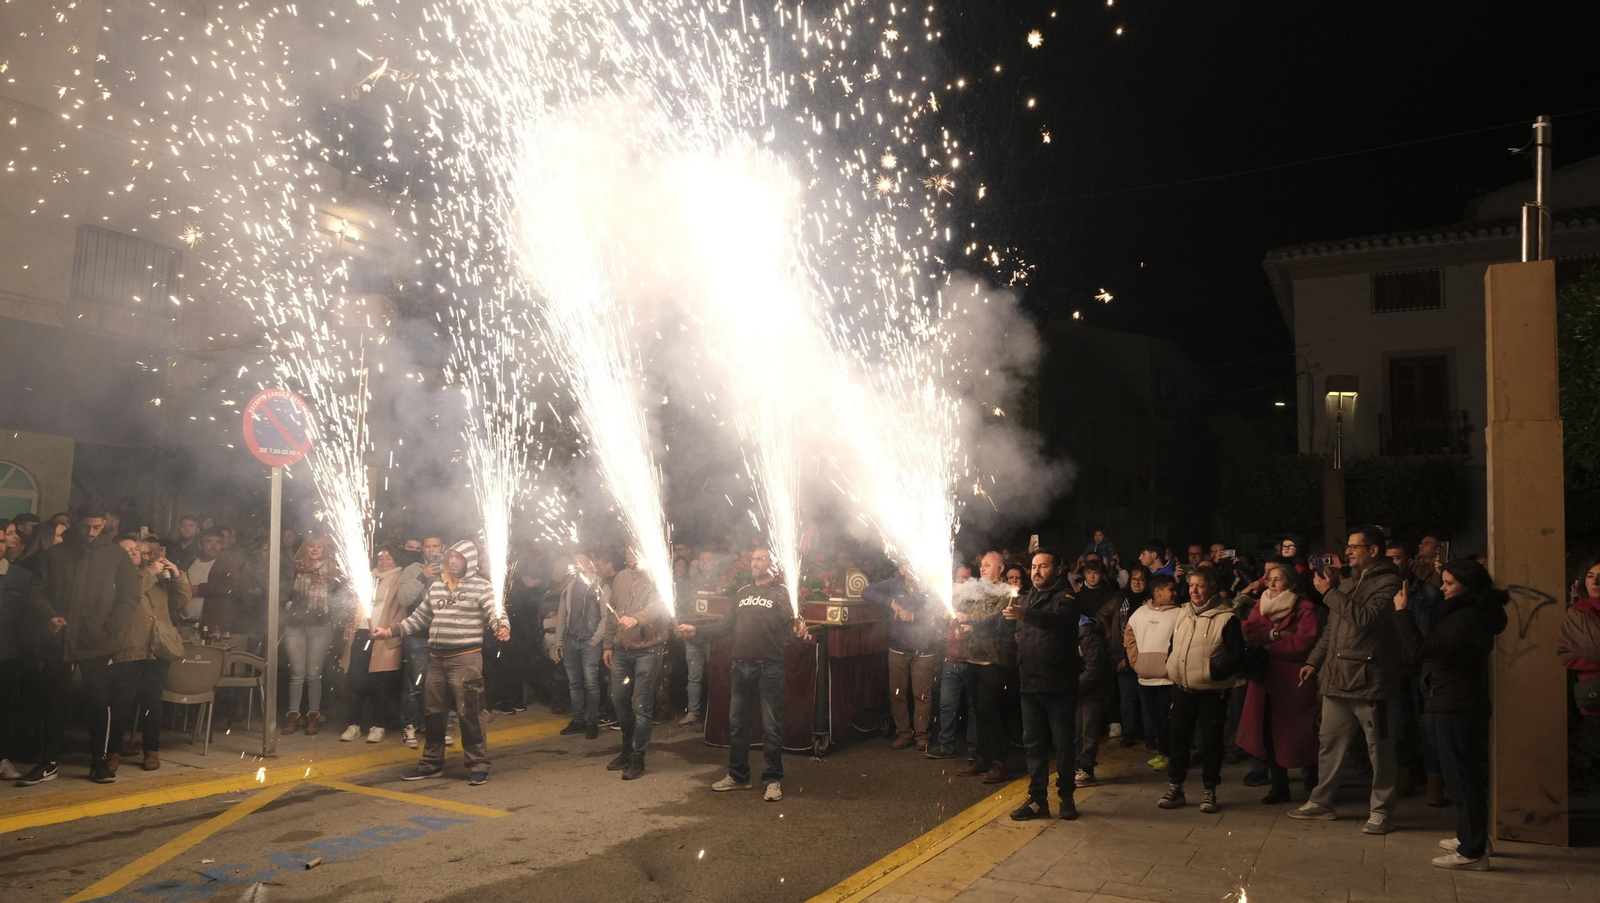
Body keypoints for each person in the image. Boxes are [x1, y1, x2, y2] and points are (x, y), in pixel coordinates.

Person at [1393, 559, 1506, 870]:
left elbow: (1423, 648)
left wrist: (1403, 613)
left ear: (1468, 586)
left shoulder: (1467, 617)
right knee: (1461, 772)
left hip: (1455, 702)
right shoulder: (1471, 613)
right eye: (1442, 582)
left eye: (1449, 583)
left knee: (1461, 775)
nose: (1442, 588)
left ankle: (1472, 852)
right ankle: (1473, 837)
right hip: (1454, 698)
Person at [1291, 526, 1404, 834]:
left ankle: (1381, 811)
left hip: (1371, 681)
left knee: (1379, 750)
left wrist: (1330, 593)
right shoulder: (1348, 584)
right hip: (1336, 679)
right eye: (1349, 546)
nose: (1349, 551)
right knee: (1329, 744)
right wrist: (1314, 661)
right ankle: (1322, 802)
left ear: (1374, 550)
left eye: (1355, 546)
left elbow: (1366, 619)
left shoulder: (1390, 582)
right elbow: (1333, 629)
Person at [678, 546, 809, 802]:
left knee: (772, 726)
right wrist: (697, 631)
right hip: (740, 667)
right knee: (738, 725)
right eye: (752, 559)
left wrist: (800, 629)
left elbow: (793, 624)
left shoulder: (782, 593)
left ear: (771, 564)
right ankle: (739, 776)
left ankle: (773, 779)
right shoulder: (742, 593)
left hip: (768, 667)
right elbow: (723, 626)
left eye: (760, 559)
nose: (754, 563)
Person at [21, 510, 142, 785]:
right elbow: (35, 591)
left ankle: (98, 761)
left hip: (97, 640)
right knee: (53, 701)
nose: (90, 532)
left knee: (98, 702)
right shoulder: (55, 554)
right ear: (77, 524)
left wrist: (111, 626)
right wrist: (49, 616)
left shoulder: (116, 556)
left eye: (97, 527)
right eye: (86, 526)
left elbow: (130, 596)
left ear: (104, 526)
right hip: (59, 639)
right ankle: (48, 762)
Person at [375, 540, 508, 785]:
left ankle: (478, 763)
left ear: (468, 561)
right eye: (450, 557)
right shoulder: (437, 586)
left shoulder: (481, 586)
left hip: (465, 660)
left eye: (458, 557)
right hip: (436, 659)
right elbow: (419, 618)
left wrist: (502, 626)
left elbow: (495, 610)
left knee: (470, 713)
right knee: (433, 713)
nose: (453, 562)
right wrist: (391, 632)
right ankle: (431, 764)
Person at [1157, 569, 1244, 813]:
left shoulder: (1227, 618)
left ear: (1212, 588)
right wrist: (1172, 665)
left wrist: (1211, 674)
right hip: (1182, 687)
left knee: (1211, 741)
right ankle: (1176, 785)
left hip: (1211, 691)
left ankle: (1209, 790)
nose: (1194, 590)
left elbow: (1237, 655)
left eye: (1200, 586)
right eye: (1191, 585)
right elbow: (1176, 643)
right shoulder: (1184, 612)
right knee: (1178, 738)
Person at [1006, 548, 1081, 821]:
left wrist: (1026, 615)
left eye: (1043, 566)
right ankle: (1038, 800)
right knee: (1033, 745)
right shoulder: (1025, 599)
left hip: (1058, 685)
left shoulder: (1067, 597)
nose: (1036, 571)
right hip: (1030, 684)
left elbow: (1060, 621)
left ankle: (1067, 797)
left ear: (1058, 569)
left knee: (1063, 745)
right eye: (1034, 567)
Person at [1235, 561, 1320, 804]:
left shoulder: (1304, 608)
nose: (1271, 583)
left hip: (1294, 680)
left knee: (1301, 733)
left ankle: (1313, 782)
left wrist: (1267, 645)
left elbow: (1303, 643)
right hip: (1265, 680)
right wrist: (1276, 635)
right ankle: (1279, 786)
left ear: (1290, 583)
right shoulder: (1261, 605)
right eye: (1269, 578)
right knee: (1269, 734)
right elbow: (1249, 632)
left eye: (1277, 579)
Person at [114, 536, 192, 771]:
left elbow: (181, 601)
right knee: (121, 701)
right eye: (127, 551)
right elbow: (129, 592)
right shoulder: (115, 577)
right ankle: (113, 751)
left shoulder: (156, 577)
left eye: (136, 549)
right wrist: (149, 571)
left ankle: (151, 750)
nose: (134, 553)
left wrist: (177, 576)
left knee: (152, 701)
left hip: (158, 647)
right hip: (127, 647)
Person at [601, 548, 672, 781]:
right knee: (619, 701)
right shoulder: (621, 577)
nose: (630, 556)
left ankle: (637, 758)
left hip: (648, 650)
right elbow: (612, 612)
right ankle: (627, 749)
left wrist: (637, 618)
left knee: (641, 705)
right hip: (622, 650)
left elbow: (660, 606)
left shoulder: (658, 576)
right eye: (628, 553)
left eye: (635, 552)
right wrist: (608, 644)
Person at [1386, 539, 1445, 804]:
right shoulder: (1383, 592)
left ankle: (1435, 782)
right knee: (1400, 725)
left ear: (1409, 562)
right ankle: (1405, 777)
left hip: (1422, 667)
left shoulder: (1430, 593)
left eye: (1396, 558)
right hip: (1395, 666)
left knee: (1429, 726)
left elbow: (1428, 634)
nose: (1391, 564)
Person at [864, 567, 941, 750]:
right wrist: (891, 602)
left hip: (924, 648)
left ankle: (922, 735)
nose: (913, 569)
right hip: (898, 647)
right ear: (902, 569)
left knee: (922, 694)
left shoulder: (930, 585)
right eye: (908, 565)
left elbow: (939, 611)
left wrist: (915, 616)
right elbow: (866, 591)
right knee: (897, 693)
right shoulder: (894, 583)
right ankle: (904, 733)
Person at [281, 535, 350, 738]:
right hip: (295, 626)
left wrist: (330, 613)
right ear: (305, 548)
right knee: (296, 674)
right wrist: (289, 605)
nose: (315, 549)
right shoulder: (294, 568)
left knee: (313, 674)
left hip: (320, 627)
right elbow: (283, 591)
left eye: (319, 546)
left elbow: (340, 598)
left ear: (324, 550)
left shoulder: (332, 571)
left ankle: (313, 716)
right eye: (311, 546)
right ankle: (293, 716)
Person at [929, 552, 996, 760]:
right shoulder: (948, 599)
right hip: (951, 660)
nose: (962, 582)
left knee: (974, 708)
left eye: (966, 579)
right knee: (947, 706)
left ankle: (975, 751)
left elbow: (987, 623)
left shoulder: (977, 600)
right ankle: (946, 747)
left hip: (972, 661)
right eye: (959, 578)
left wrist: (968, 621)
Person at [958, 556, 1019, 784]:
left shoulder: (1006, 591)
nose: (982, 568)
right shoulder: (976, 590)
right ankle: (982, 757)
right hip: (974, 657)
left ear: (1001, 568)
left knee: (989, 709)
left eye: (988, 565)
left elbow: (1000, 622)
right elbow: (968, 619)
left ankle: (1001, 762)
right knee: (976, 709)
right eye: (981, 564)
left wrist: (970, 621)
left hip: (994, 660)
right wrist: (962, 629)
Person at [340, 548, 407, 743]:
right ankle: (353, 725)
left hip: (384, 635)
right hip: (360, 633)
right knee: (355, 681)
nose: (384, 561)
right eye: (380, 558)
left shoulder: (400, 578)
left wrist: (391, 631)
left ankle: (379, 726)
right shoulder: (367, 577)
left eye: (389, 557)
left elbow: (403, 608)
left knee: (381, 683)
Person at [1125, 572, 1181, 772]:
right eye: (1170, 590)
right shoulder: (1139, 613)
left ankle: (1173, 756)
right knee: (1156, 720)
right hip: (1146, 679)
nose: (1175, 593)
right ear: (1157, 592)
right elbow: (1129, 636)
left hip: (1169, 680)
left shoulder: (1180, 613)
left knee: (1169, 721)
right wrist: (1135, 661)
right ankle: (1163, 753)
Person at [395, 536, 444, 748]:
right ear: (422, 549)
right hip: (417, 634)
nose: (432, 550)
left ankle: (432, 727)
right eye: (428, 546)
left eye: (436, 546)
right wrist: (423, 577)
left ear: (442, 548)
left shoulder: (452, 568)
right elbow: (404, 599)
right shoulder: (412, 570)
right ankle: (409, 726)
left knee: (437, 685)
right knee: (414, 684)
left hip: (443, 634)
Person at [553, 553, 605, 738]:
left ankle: (592, 722)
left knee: (590, 683)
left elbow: (606, 615)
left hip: (588, 642)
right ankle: (578, 720)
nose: (576, 564)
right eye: (574, 562)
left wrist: (596, 638)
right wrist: (559, 642)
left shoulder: (598, 586)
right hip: (571, 640)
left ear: (589, 564)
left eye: (580, 561)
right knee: (574, 683)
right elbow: (561, 616)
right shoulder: (569, 587)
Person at [1561, 560, 1600, 762]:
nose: (1596, 582)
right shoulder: (1577, 613)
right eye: (1590, 576)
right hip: (1594, 694)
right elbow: (1566, 653)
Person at [0, 520, 30, 781]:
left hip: (6, 654)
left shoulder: (21, 577)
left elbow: (26, 617)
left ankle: (2, 759)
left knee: (3, 708)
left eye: (1, 540)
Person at [1074, 603, 1113, 789]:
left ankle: (1087, 769)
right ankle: (1077, 766)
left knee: (1087, 730)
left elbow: (1093, 671)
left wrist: (1072, 687)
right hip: (1079, 687)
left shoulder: (1089, 636)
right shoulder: (1073, 632)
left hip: (1093, 689)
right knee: (1076, 728)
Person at [1111, 566, 1151, 748]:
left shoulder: (1152, 602)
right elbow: (1104, 618)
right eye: (1134, 578)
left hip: (1147, 655)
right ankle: (1129, 732)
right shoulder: (1121, 599)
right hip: (1124, 654)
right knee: (1127, 696)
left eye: (1141, 579)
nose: (1137, 582)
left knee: (1145, 697)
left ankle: (1149, 733)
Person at [186, 528, 237, 637]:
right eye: (209, 541)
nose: (214, 546)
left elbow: (229, 586)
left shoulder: (228, 565)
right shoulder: (188, 562)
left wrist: (198, 589)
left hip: (211, 627)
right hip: (184, 623)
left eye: (218, 542)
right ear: (200, 544)